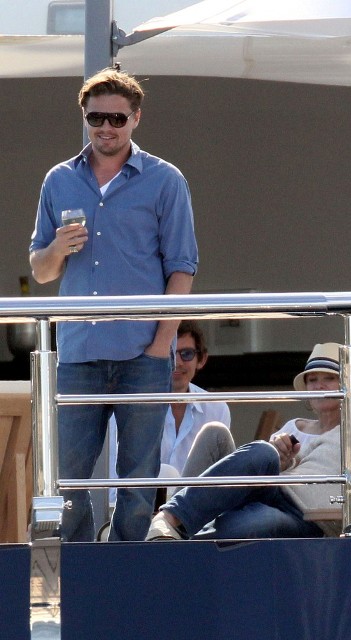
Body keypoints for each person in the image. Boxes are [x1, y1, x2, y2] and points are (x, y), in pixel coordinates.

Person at [29, 68, 198, 542]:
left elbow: (182, 268)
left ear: (136, 118)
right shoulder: (59, 179)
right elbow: (41, 269)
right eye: (96, 117)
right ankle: (80, 567)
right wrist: (57, 248)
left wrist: (161, 346)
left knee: (138, 481)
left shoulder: (165, 180)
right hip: (78, 351)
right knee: (67, 478)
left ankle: (126, 568)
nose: (106, 127)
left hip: (142, 351)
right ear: (84, 117)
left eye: (117, 119)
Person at [146, 342, 343, 541]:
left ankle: (175, 538)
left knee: (251, 523)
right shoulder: (293, 426)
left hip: (301, 513)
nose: (319, 386)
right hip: (268, 490)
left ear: (346, 385)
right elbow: (260, 464)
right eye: (313, 380)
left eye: (329, 378)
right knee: (256, 448)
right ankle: (169, 518)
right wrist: (281, 458)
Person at [161, 319, 231, 474]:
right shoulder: (133, 405)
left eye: (186, 354)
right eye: (169, 353)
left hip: (195, 491)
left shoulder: (217, 409)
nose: (177, 362)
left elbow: (219, 475)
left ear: (202, 359)